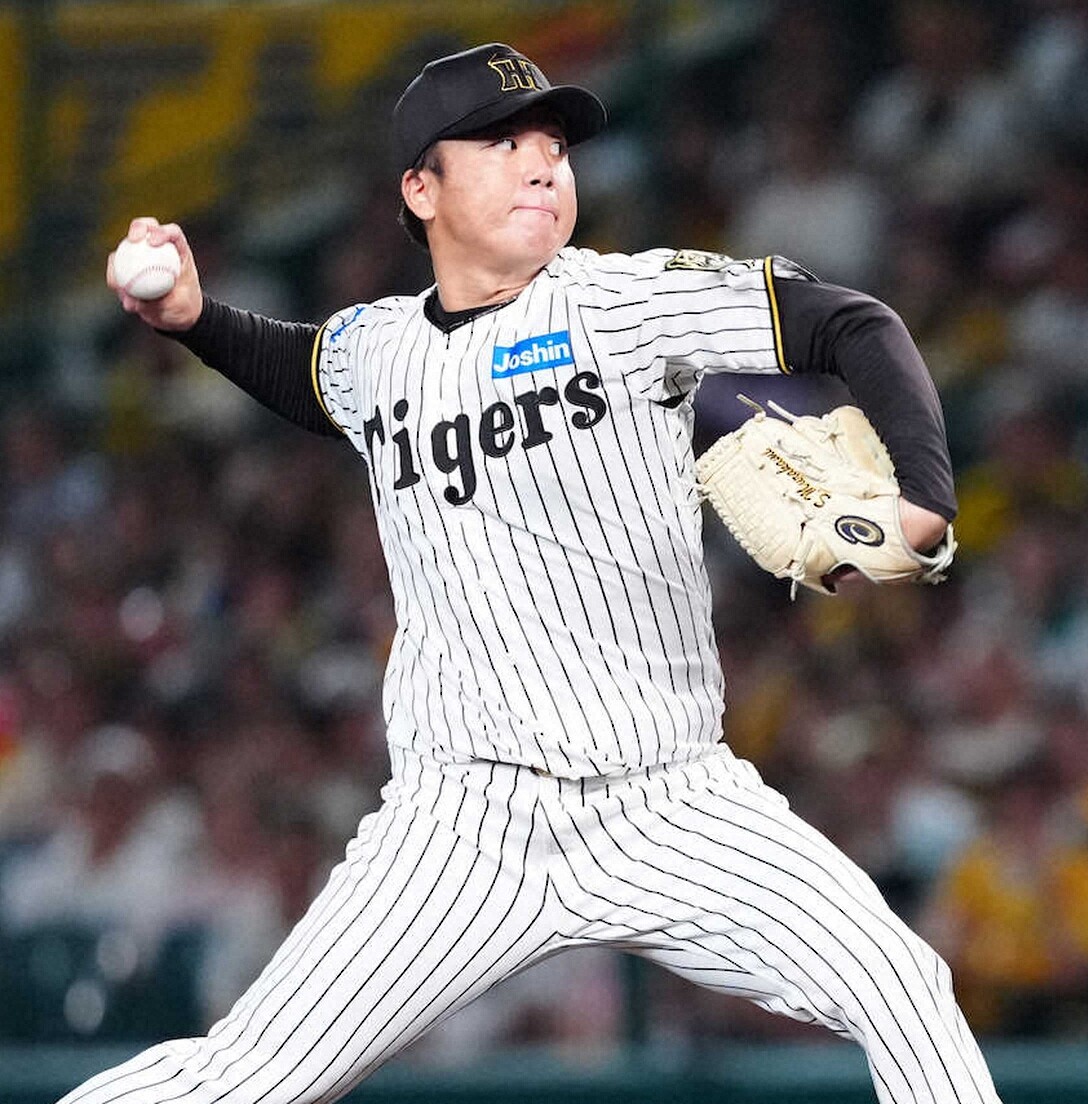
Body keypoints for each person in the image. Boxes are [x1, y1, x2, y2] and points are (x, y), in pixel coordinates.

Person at [80, 41, 1000, 1104]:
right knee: (252, 1075)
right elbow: (302, 371)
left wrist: (924, 498)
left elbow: (853, 322)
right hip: (462, 823)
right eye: (501, 142)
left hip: (671, 801)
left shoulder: (628, 301)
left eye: (554, 146)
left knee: (901, 987)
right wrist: (195, 320)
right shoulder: (379, 349)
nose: (541, 163)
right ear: (420, 190)